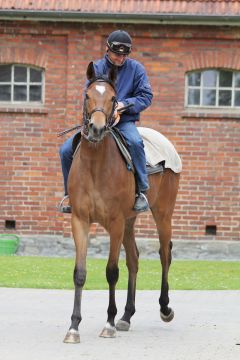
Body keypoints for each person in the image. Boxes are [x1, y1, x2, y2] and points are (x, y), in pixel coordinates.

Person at [59, 30, 153, 213]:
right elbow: (89, 96)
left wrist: (123, 105)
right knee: (64, 150)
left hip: (124, 121)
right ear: (108, 50)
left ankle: (141, 190)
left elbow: (146, 96)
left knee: (135, 142)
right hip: (98, 119)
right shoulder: (97, 67)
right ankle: (69, 195)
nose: (121, 59)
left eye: (125, 55)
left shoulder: (136, 69)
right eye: (117, 54)